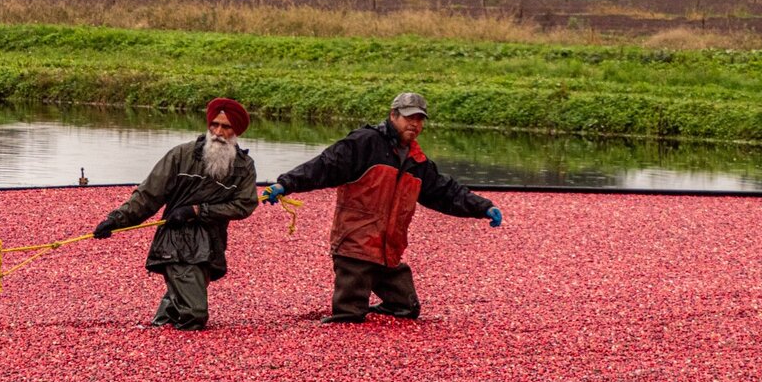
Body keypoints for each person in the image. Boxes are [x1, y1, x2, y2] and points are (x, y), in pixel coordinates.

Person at [263, 91, 503, 324]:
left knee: (407, 308)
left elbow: (444, 191)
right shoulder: (364, 143)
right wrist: (285, 184)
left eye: (419, 119)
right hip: (355, 244)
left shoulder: (416, 161)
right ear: (393, 116)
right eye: (409, 117)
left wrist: (482, 207)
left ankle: (381, 300)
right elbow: (324, 166)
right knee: (349, 315)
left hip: (388, 247)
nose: (414, 124)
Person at [93, 97, 258, 330]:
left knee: (182, 297)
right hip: (176, 241)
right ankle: (176, 344)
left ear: (236, 131)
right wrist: (115, 220)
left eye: (226, 127)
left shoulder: (244, 166)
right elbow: (148, 195)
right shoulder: (181, 155)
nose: (219, 132)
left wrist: (198, 211)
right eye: (215, 125)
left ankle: (160, 329)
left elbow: (245, 204)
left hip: (211, 241)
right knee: (195, 313)